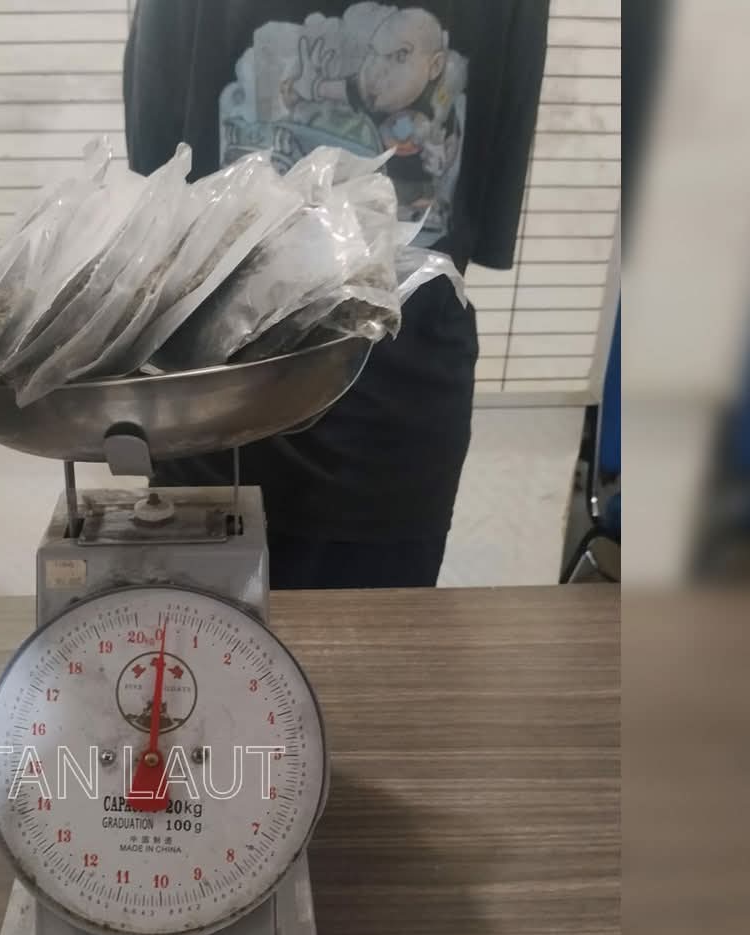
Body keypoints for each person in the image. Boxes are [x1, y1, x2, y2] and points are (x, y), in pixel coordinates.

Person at [124, 1, 548, 588]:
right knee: (202, 635)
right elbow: (160, 192)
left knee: (372, 642)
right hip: (216, 403)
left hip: (388, 411)